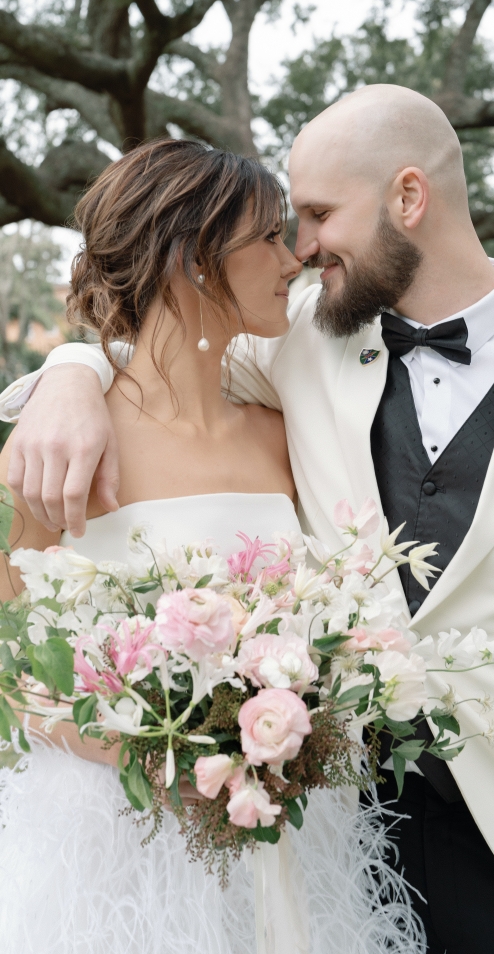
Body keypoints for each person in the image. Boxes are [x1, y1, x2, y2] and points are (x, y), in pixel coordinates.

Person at [0, 85, 494, 954]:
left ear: (406, 197)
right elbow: (165, 348)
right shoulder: (300, 344)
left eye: (317, 214)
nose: (302, 247)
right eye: (286, 226)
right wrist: (69, 370)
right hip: (340, 847)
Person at [0, 138, 425, 954]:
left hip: (286, 830)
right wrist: (146, 748)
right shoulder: (57, 446)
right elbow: (10, 663)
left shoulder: (281, 436)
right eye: (267, 235)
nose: (294, 256)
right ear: (193, 256)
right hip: (115, 844)